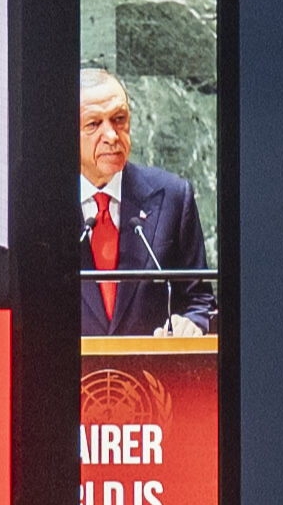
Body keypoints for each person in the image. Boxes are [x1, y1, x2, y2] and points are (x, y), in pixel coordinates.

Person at [74, 72, 217, 338]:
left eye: (119, 119)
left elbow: (200, 302)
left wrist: (191, 324)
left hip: (152, 364)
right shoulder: (43, 208)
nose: (112, 136)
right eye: (94, 124)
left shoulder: (172, 196)